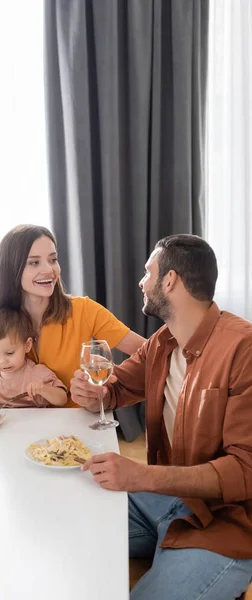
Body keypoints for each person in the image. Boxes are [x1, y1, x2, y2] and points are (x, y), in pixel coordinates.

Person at [70, 234, 252, 599]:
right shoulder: (163, 342)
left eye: (147, 272)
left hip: (226, 525)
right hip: (165, 497)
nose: (141, 281)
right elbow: (114, 389)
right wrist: (93, 394)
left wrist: (141, 475)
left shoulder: (242, 348)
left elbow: (245, 470)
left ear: (170, 280)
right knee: (65, 520)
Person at [0, 224, 146, 406]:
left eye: (53, 259)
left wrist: (112, 384)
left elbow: (149, 351)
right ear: (12, 270)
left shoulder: (84, 310)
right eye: (34, 262)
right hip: (15, 435)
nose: (49, 270)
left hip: (73, 432)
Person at [0, 308, 67, 407]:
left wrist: (44, 389)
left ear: (27, 345)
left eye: (10, 353)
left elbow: (62, 399)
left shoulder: (38, 375)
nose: (2, 361)